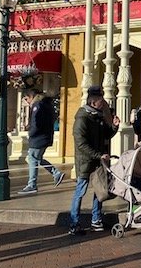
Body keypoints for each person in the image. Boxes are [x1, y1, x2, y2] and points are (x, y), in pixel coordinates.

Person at [69, 93, 119, 235]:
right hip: (85, 162)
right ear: (93, 103)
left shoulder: (98, 117)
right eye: (101, 102)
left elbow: (105, 135)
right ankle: (74, 223)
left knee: (100, 189)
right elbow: (81, 144)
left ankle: (96, 220)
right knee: (80, 191)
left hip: (97, 161)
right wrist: (98, 155)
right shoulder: (82, 119)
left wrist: (114, 127)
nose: (103, 105)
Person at [17, 88, 64, 195]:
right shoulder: (46, 104)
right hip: (46, 136)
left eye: (26, 99)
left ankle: (32, 184)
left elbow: (36, 122)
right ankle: (56, 173)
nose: (26, 102)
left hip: (38, 138)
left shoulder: (37, 106)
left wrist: (31, 133)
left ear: (30, 96)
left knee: (32, 159)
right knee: (37, 158)